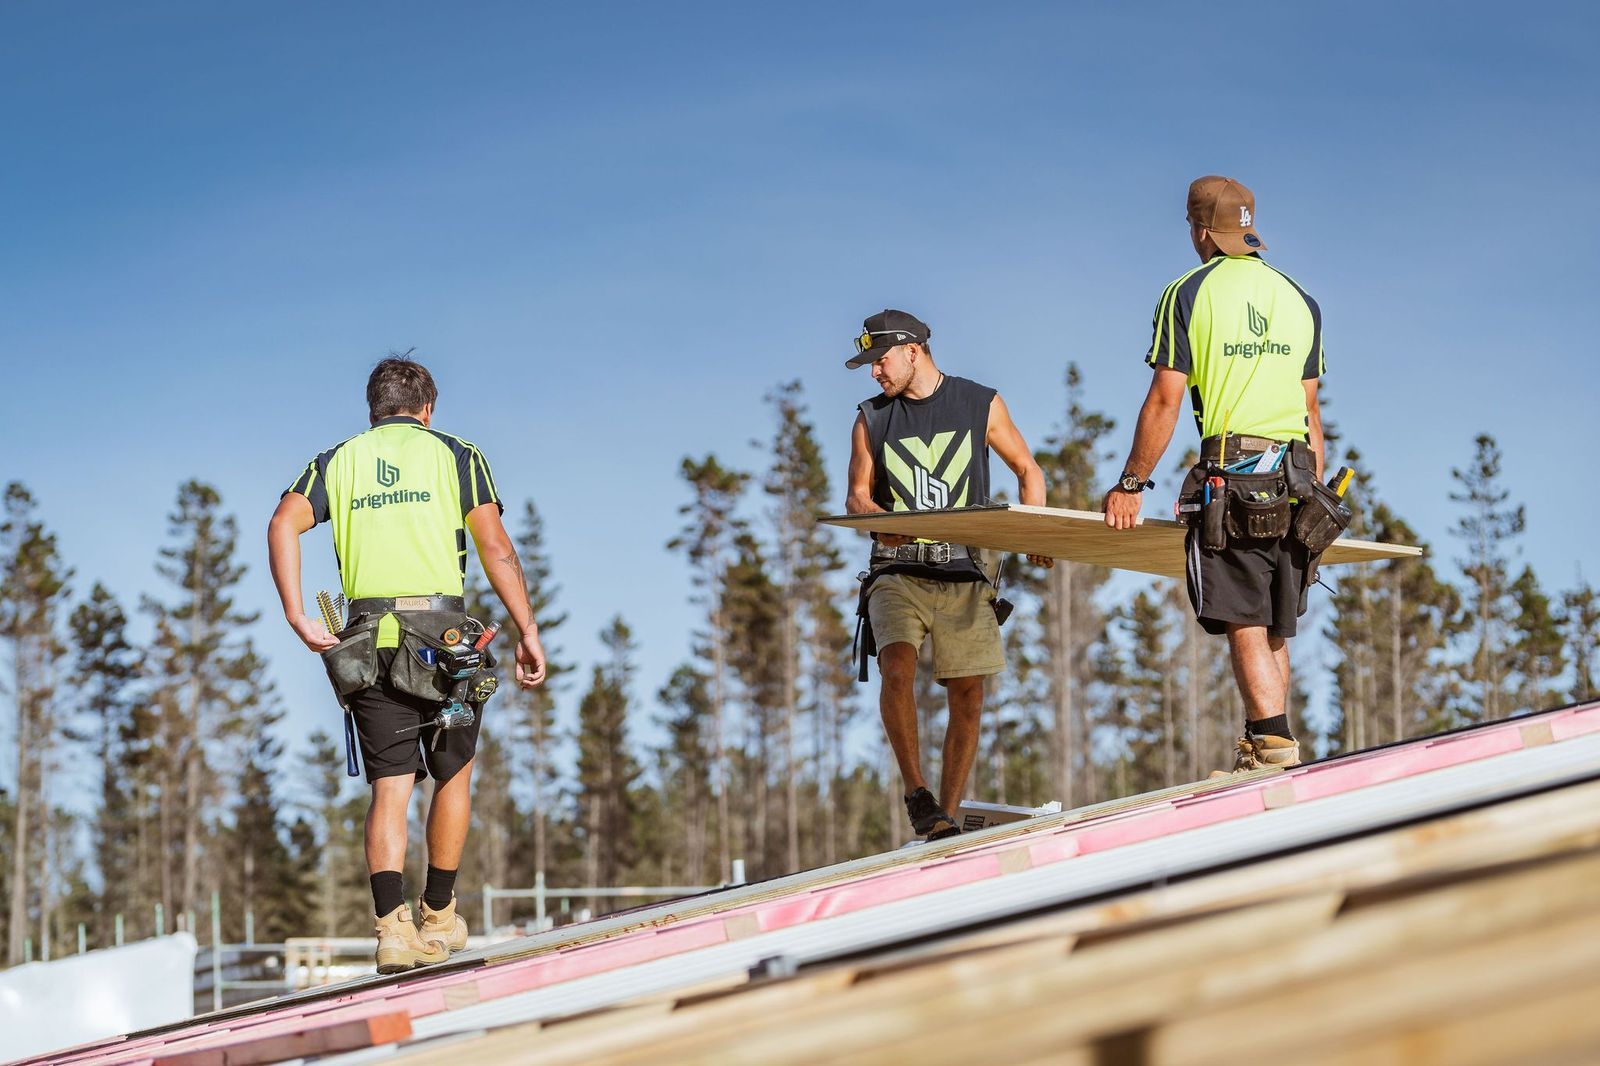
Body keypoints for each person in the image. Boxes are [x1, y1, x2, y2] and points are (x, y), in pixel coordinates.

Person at [267, 355, 547, 972]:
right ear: (428, 409)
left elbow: (283, 523)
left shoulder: (336, 462)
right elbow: (495, 545)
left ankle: (392, 930)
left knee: (390, 788)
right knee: (454, 774)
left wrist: (296, 613)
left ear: (373, 412)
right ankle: (439, 916)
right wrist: (526, 628)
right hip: (444, 641)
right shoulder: (458, 455)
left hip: (368, 641)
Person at [1102, 176, 1328, 773]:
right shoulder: (1300, 298)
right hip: (1297, 474)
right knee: (1274, 621)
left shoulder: (1187, 293)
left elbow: (1164, 400)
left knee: (1242, 614)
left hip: (1237, 472)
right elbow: (1311, 410)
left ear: (1201, 229)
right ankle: (1268, 743)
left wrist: (1131, 484)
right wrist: (1314, 494)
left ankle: (1272, 747)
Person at [845, 309, 1052, 841]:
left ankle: (946, 820)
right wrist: (881, 522)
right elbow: (857, 498)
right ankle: (918, 794)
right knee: (896, 667)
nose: (875, 372)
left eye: (880, 360)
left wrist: (1037, 533)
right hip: (896, 571)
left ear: (912, 351)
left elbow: (1028, 470)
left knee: (968, 694)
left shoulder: (979, 403)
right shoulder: (871, 418)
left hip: (966, 570)